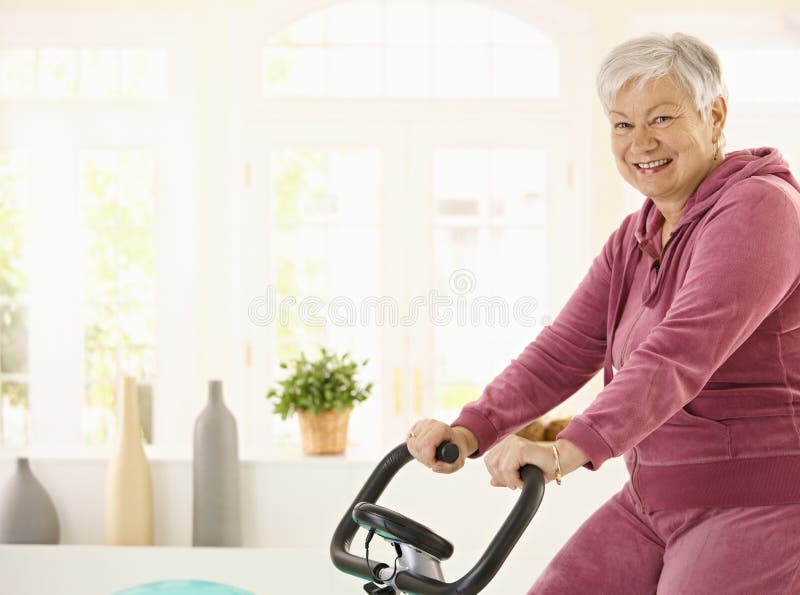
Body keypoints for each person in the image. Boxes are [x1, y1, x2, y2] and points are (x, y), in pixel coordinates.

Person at [406, 32, 800, 594]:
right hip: (651, 498)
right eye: (622, 124)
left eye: (662, 118)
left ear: (714, 115)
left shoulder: (761, 208)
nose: (641, 142)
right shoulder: (638, 236)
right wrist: (473, 429)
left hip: (754, 501)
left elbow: (679, 353)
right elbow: (564, 350)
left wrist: (566, 450)